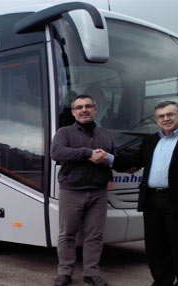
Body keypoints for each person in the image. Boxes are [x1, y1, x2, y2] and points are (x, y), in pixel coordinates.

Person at [96, 101, 178, 286]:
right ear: (156, 120)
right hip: (152, 199)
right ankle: (162, 281)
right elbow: (132, 162)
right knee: (155, 246)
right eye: (161, 116)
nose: (166, 119)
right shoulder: (150, 141)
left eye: (170, 114)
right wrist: (108, 158)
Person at [50, 94, 114, 286]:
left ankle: (91, 273)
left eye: (88, 106)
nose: (84, 110)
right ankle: (65, 272)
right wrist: (87, 153)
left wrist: (108, 157)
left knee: (95, 236)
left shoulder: (105, 134)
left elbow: (114, 154)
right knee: (67, 234)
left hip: (99, 191)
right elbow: (57, 152)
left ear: (95, 109)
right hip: (72, 190)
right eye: (79, 107)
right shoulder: (64, 133)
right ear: (73, 112)